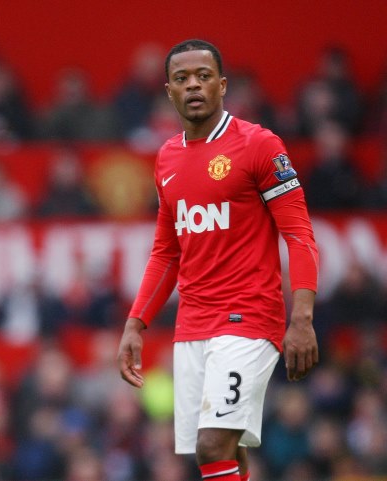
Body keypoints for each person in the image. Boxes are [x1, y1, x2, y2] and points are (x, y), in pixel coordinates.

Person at [117, 39, 320, 481]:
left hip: (248, 317)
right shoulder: (167, 158)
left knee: (213, 443)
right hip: (193, 324)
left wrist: (302, 317)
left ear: (222, 86)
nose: (193, 85)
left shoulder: (259, 145)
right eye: (182, 78)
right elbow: (167, 252)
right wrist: (136, 323)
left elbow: (299, 234)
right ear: (168, 91)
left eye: (204, 76)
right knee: (221, 451)